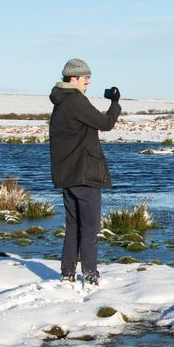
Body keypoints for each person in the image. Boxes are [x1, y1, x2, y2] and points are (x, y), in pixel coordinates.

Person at [49, 58, 121, 284]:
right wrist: (115, 103)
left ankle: (67, 273)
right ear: (73, 78)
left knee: (73, 227)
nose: (88, 81)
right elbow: (106, 123)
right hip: (84, 174)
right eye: (85, 77)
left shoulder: (60, 102)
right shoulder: (75, 101)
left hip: (67, 175)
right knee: (90, 227)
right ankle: (90, 275)